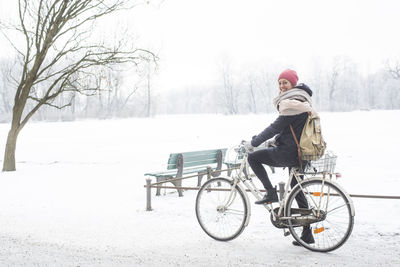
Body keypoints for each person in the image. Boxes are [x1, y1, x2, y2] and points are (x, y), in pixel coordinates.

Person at [243, 69, 315, 246]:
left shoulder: (292, 103)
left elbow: (275, 126)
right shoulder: (302, 101)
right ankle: (307, 233)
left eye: (285, 83)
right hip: (301, 152)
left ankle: (270, 193)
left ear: (293, 85)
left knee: (254, 158)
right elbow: (289, 130)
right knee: (296, 187)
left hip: (290, 153)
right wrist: (275, 141)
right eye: (280, 83)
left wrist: (255, 142)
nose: (282, 86)